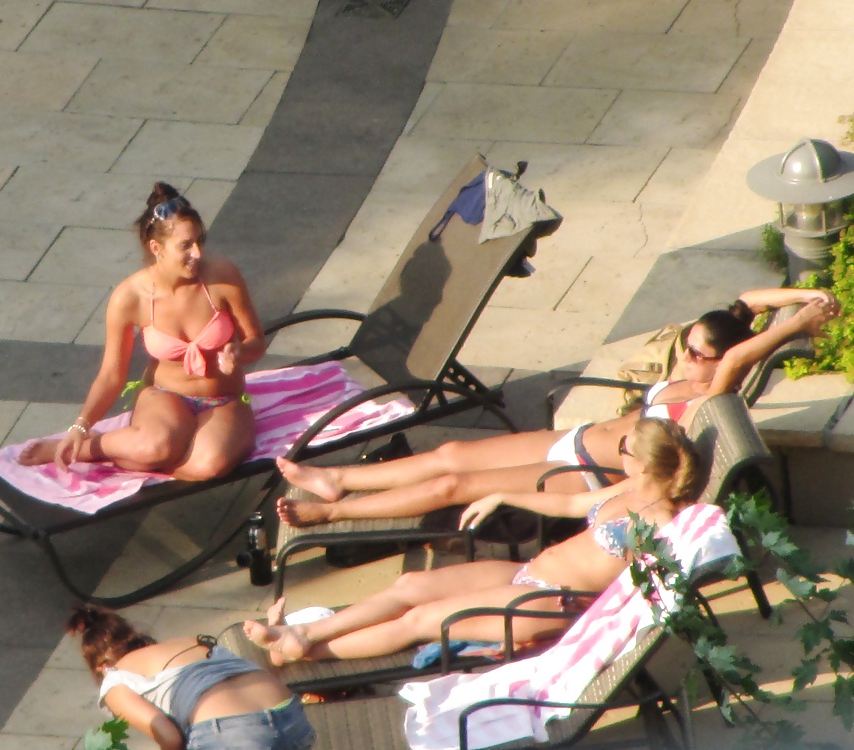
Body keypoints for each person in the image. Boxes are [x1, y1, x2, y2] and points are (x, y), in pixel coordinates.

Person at [274, 286, 836, 526]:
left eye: (697, 354)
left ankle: (334, 511)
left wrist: (802, 325)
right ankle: (336, 478)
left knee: (453, 486)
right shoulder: (696, 375)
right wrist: (803, 298)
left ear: (723, 362)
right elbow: (750, 303)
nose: (685, 359)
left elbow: (742, 355)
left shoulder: (716, 394)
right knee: (449, 451)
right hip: (577, 439)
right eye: (686, 348)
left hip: (589, 475)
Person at [244, 417, 702, 663]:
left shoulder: (659, 526)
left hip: (550, 601)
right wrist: (501, 493)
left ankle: (303, 646)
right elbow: (566, 507)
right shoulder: (629, 490)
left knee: (420, 620)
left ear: (642, 465)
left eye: (625, 450)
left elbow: (641, 596)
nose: (618, 453)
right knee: (408, 589)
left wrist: (567, 627)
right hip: (529, 574)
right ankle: (301, 635)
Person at [19, 183, 265, 481]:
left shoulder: (223, 277)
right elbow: (111, 374)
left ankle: (147, 456)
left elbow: (257, 344)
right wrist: (80, 426)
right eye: (186, 246)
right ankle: (86, 447)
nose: (197, 253)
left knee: (206, 467)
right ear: (156, 248)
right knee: (153, 447)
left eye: (199, 241)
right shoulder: (130, 297)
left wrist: (239, 352)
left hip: (224, 399)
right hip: (165, 397)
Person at [68, 604, 316, 750]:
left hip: (233, 733)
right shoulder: (190, 642)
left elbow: (169, 737)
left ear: (102, 665)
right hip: (291, 715)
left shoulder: (115, 679)